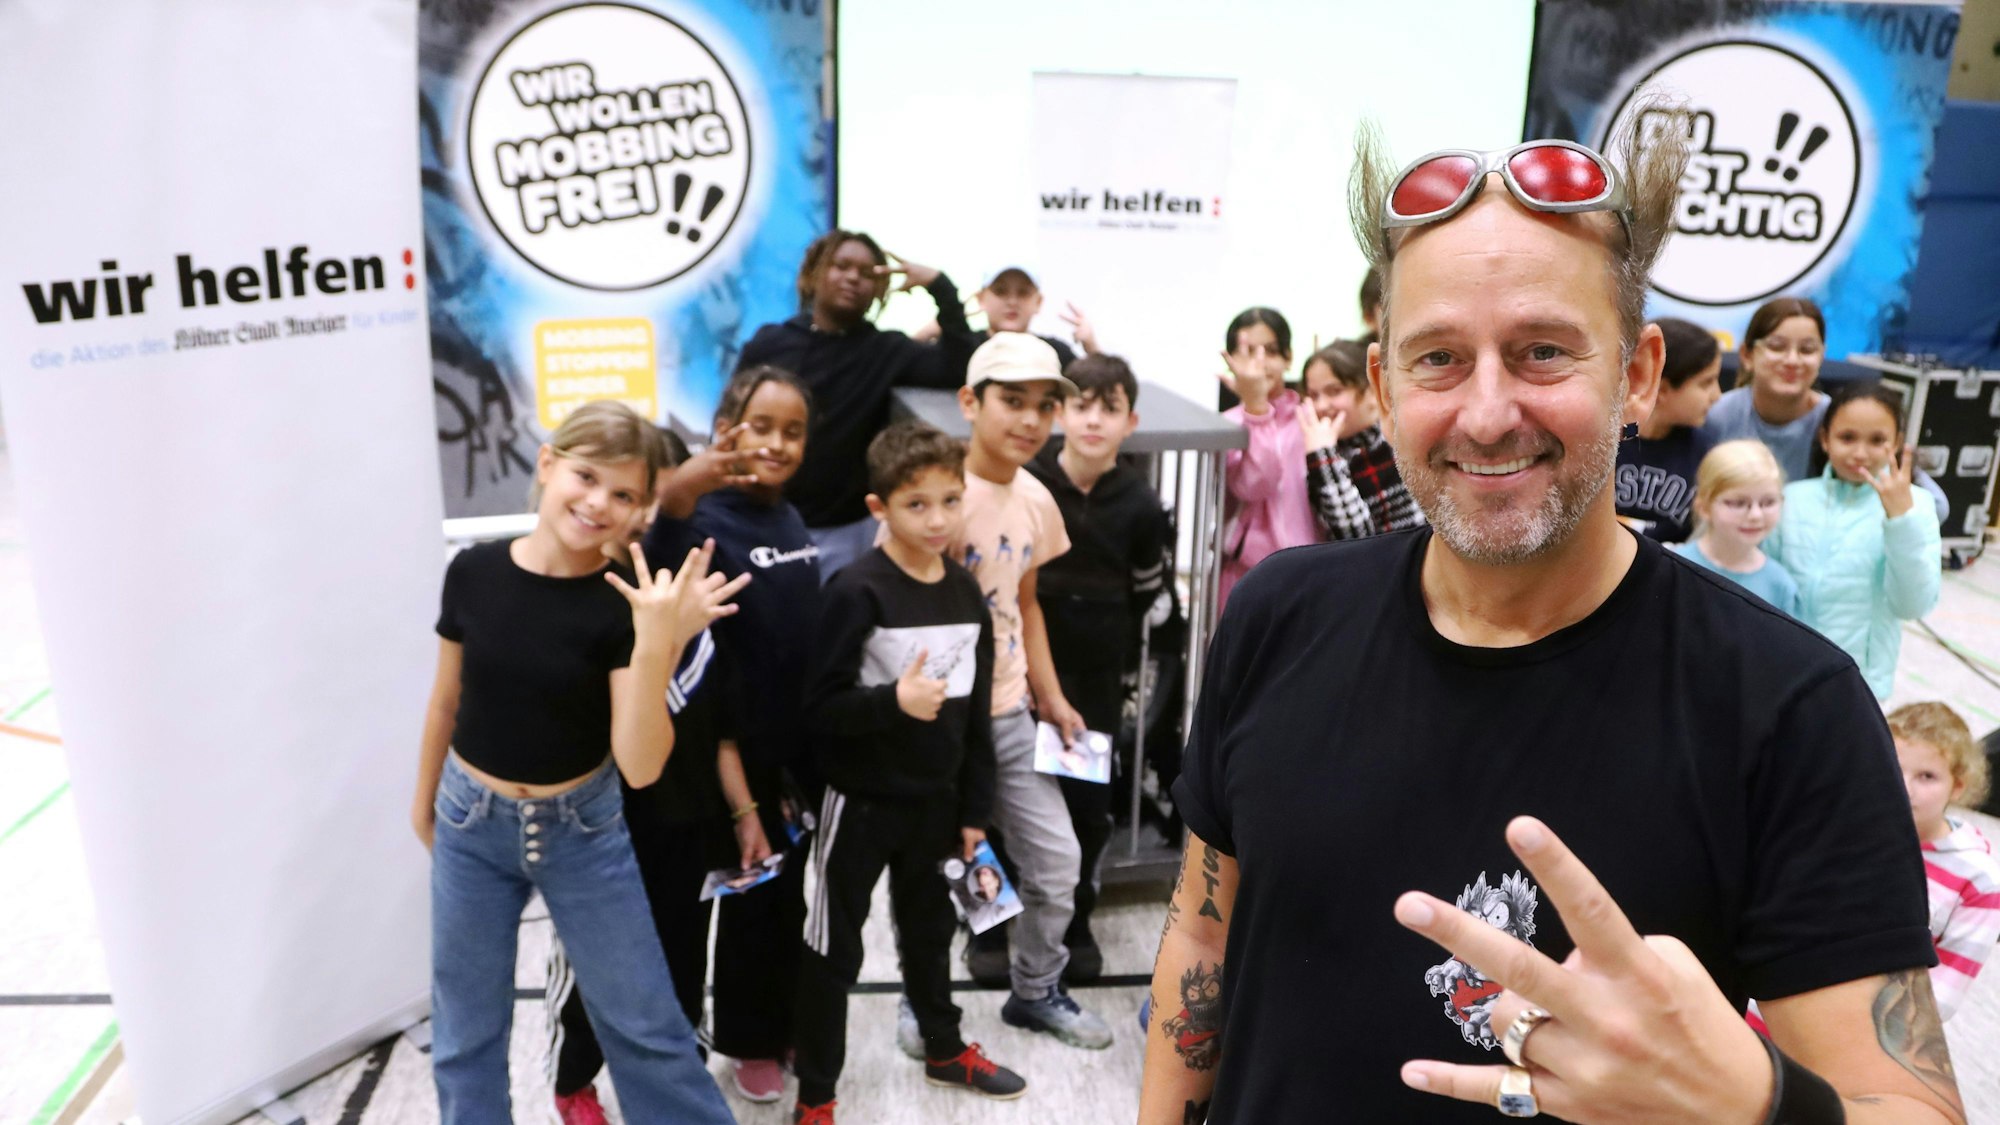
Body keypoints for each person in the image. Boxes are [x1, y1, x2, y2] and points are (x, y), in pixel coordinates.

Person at [1140, 122, 1959, 1123]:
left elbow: (1906, 1103)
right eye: (1438, 359)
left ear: (1636, 374)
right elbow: (1201, 945)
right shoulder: (1277, 614)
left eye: (1540, 353)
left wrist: (1756, 1108)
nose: (1487, 413)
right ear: (1386, 392)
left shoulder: (1787, 710)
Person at [412, 401, 747, 1124]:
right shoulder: (472, 572)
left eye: (623, 494)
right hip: (471, 822)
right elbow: (446, 700)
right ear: (547, 465)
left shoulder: (625, 603)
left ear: (643, 511)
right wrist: (423, 803)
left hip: (584, 832)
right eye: (586, 476)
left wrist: (658, 644)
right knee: (466, 1031)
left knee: (646, 1025)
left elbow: (641, 764)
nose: (598, 503)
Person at [792, 420, 1027, 1125]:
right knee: (834, 947)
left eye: (949, 501)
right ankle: (816, 1095)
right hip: (859, 805)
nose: (937, 518)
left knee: (929, 936)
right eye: (915, 504)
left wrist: (973, 812)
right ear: (879, 509)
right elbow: (819, 706)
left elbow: (975, 718)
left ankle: (944, 1045)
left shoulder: (963, 593)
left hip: (937, 803)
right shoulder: (855, 590)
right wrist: (891, 703)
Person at [540, 431, 742, 1124]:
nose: (634, 510)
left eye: (642, 493)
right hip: (606, 822)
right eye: (626, 493)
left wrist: (741, 812)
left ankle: (672, 1075)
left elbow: (715, 720)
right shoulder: (586, 593)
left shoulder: (693, 583)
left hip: (687, 820)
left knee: (683, 963)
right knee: (597, 968)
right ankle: (573, 1080)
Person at [643, 365, 822, 1103]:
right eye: (762, 426)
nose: (777, 444)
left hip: (784, 756)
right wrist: (685, 484)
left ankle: (755, 1034)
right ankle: (672, 1042)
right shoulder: (698, 516)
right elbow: (661, 537)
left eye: (793, 431)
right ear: (727, 425)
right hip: (710, 754)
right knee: (684, 911)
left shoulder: (788, 516)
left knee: (773, 906)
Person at [953, 332, 1115, 1048]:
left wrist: (1049, 695)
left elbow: (1026, 602)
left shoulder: (1035, 498)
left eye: (1043, 405)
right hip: (939, 727)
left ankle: (1036, 989)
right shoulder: (933, 492)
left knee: (1057, 862)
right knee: (951, 868)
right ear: (970, 402)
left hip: (1011, 712)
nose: (1028, 419)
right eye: (1010, 401)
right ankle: (924, 1006)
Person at [1025, 352, 1172, 981]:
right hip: (1022, 668)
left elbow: (1147, 594)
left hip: (1097, 676)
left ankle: (1075, 922)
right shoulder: (1029, 484)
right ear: (1060, 413)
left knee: (1086, 803)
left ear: (1129, 421)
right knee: (1013, 796)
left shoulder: (1141, 505)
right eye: (1081, 404)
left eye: (1108, 408)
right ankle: (996, 922)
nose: (1092, 420)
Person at [736, 229, 977, 578]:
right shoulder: (769, 343)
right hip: (763, 519)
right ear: (815, 272)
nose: (853, 277)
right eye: (842, 266)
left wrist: (939, 285)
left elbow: (959, 365)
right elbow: (733, 417)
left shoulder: (887, 351)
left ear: (879, 288)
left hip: (847, 532)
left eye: (866, 274)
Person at [1764, 383, 1941, 700]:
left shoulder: (1917, 505)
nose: (1860, 453)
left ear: (1897, 443)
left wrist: (1901, 521)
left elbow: (1911, 605)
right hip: (1787, 671)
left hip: (1861, 683)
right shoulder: (1792, 499)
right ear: (1825, 438)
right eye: (1847, 437)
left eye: (1877, 440)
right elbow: (1768, 589)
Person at [1888, 702, 2000, 1021]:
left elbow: (1940, 999)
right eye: (1892, 766)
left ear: (1959, 785)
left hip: (1860, 1037)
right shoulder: (1841, 827)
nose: (1903, 787)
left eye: (1927, 776)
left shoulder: (1980, 882)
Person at [1216, 307, 1318, 610]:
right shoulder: (1226, 424)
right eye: (1248, 351)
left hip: (1310, 571)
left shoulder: (1312, 418)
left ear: (1288, 358)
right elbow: (1253, 485)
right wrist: (1256, 408)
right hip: (1244, 575)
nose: (1260, 361)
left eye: (1271, 351)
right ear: (1231, 359)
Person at [1296, 339, 1424, 540]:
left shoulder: (1397, 442)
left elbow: (1359, 537)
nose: (1321, 405)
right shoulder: (1325, 449)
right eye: (1313, 395)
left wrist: (1323, 457)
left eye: (1334, 391)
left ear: (1371, 389)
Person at [1615, 317, 1721, 541]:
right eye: (1706, 383)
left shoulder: (1706, 453)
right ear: (1661, 389)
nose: (1717, 396)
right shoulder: (1608, 442)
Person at [1699, 296, 1827, 482]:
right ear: (1747, 355)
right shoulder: (1716, 416)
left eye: (1807, 350)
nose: (1792, 360)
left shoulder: (1836, 422)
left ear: (1822, 356)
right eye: (1777, 347)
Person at [1671, 440, 1801, 616]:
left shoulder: (1779, 585)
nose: (1756, 515)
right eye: (1738, 503)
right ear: (1704, 507)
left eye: (1768, 502)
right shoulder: (1675, 568)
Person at [921, 265, 1101, 366]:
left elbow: (1102, 390)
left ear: (1038, 302)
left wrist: (1092, 348)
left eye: (1023, 293)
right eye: (1001, 292)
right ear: (981, 299)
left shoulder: (1055, 353)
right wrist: (925, 334)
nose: (1012, 302)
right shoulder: (962, 346)